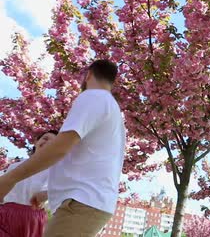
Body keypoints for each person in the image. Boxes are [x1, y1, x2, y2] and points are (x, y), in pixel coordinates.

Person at [0, 59, 126, 237]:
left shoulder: (93, 96)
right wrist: (46, 194)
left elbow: (61, 147)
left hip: (81, 203)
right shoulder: (112, 109)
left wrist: (9, 179)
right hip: (89, 203)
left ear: (88, 75)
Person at [0, 130, 58, 237]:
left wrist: (47, 194)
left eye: (52, 142)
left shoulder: (55, 171)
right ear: (36, 141)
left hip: (32, 219)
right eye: (45, 138)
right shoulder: (16, 166)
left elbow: (62, 191)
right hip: (5, 212)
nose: (47, 142)